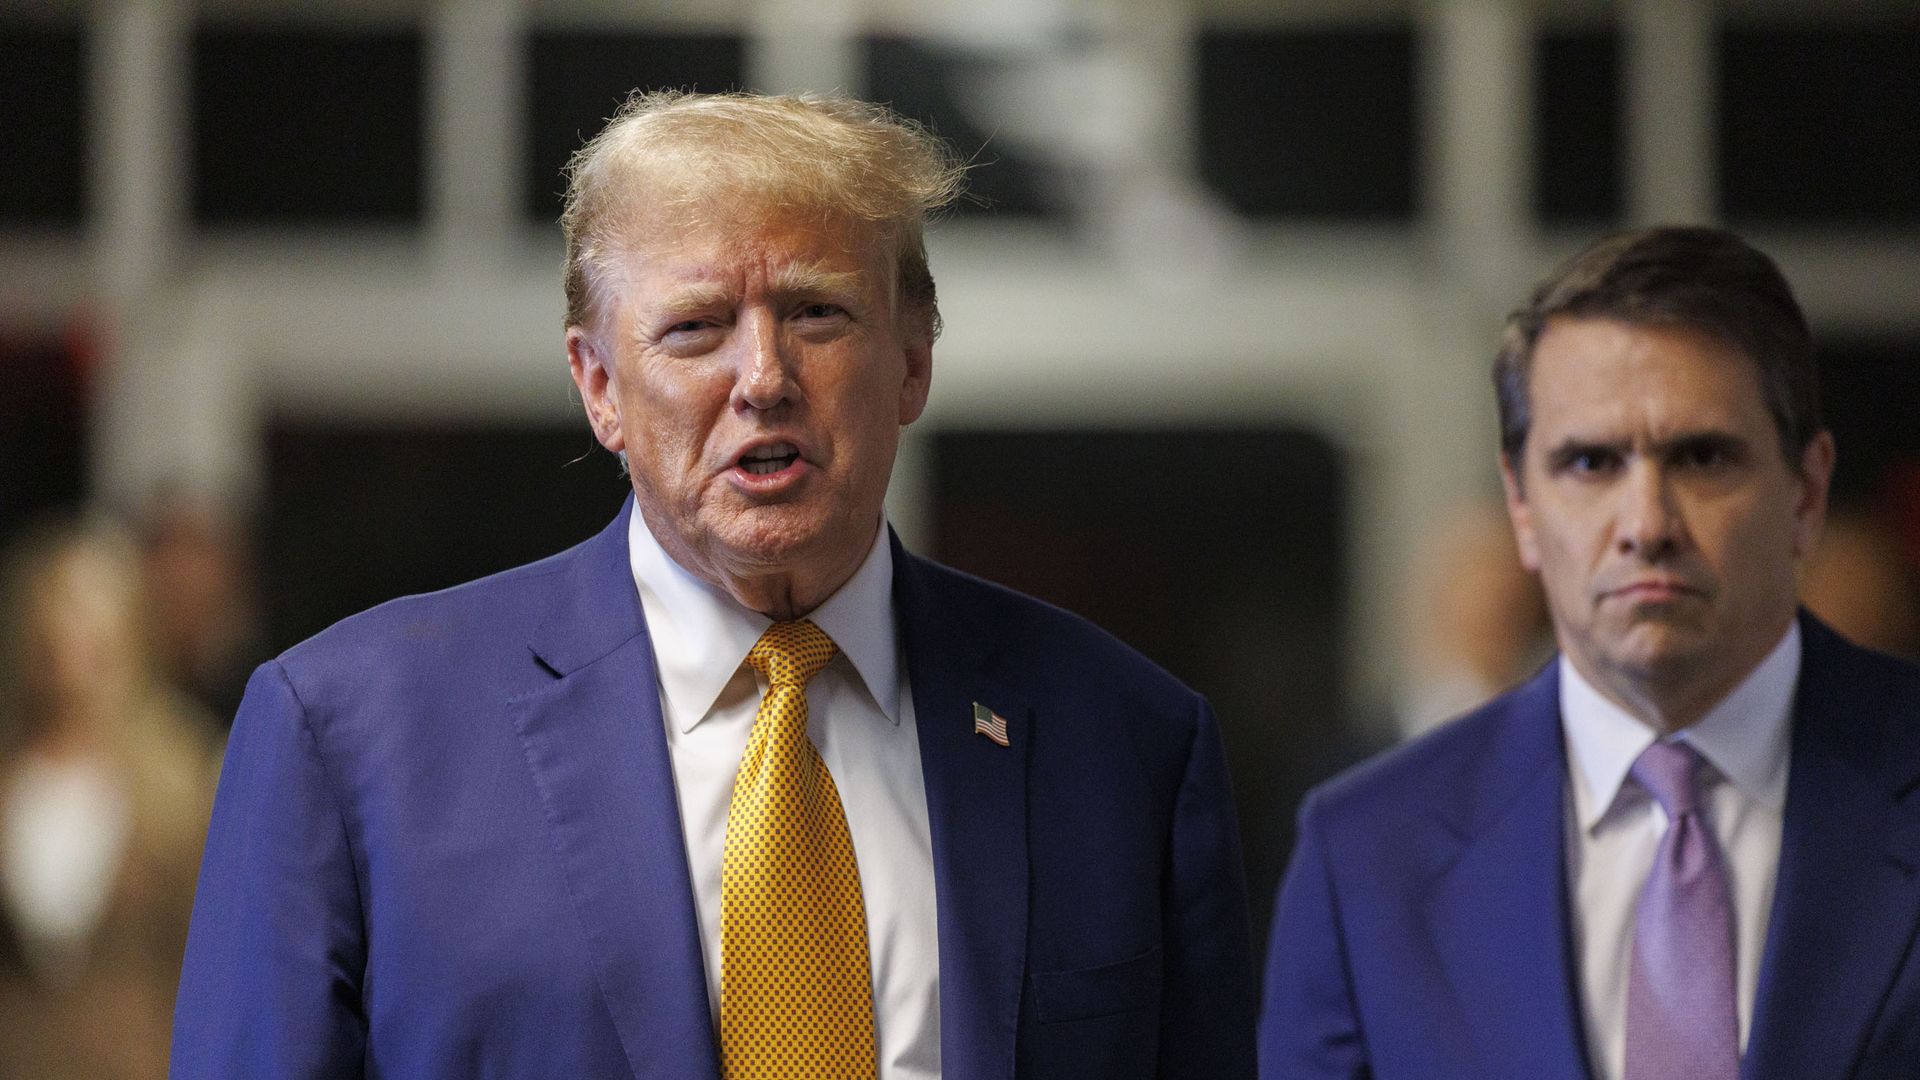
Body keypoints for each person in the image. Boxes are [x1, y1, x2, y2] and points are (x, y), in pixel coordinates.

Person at [172, 91, 1256, 1079]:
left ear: (915, 356)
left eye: (818, 313)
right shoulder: (352, 738)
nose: (765, 378)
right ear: (599, 385)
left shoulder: (1127, 743)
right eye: (695, 329)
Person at [1260, 226, 1920, 1079]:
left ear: (1807, 492)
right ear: (1523, 508)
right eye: (1590, 463)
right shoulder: (1367, 854)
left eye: (1703, 456)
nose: (1645, 524)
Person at [0, 519, 216, 1080]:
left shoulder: (179, 770)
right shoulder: (11, 767)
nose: (72, 636)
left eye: (91, 613)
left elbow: (208, 962)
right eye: (60, 609)